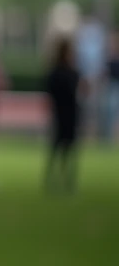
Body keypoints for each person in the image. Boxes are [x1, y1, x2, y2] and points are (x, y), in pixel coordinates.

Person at [45, 36, 82, 194]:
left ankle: (53, 179)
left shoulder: (53, 72)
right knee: (67, 148)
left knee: (57, 146)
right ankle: (67, 181)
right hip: (68, 112)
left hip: (60, 112)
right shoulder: (70, 72)